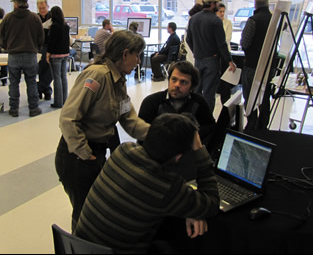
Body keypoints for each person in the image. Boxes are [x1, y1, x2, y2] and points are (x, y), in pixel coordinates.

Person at [74, 113, 219, 254]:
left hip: (78, 247)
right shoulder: (166, 187)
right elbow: (211, 204)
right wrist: (199, 149)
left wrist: (188, 207)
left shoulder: (123, 151)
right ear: (179, 156)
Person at [55, 30, 150, 231]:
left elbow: (129, 120)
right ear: (125, 54)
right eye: (137, 55)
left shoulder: (118, 81)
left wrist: (158, 135)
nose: (139, 61)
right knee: (84, 213)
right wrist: (85, 153)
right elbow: (68, 118)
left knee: (92, 210)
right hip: (77, 158)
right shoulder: (97, 76)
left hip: (94, 155)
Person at [139, 61, 216, 147]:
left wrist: (191, 134)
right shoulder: (152, 102)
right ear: (169, 80)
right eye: (174, 79)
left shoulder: (199, 102)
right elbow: (141, 136)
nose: (177, 85)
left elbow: (210, 127)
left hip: (188, 153)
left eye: (183, 82)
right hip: (157, 153)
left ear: (192, 87)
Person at [186, 0, 236, 111]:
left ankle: (195, 115)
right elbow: (221, 44)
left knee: (196, 90)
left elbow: (188, 39)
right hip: (212, 61)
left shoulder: (194, 19)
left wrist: (196, 51)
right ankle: (207, 119)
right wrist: (229, 61)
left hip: (198, 60)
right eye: (217, 3)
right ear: (213, 4)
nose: (219, 5)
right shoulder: (216, 21)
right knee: (209, 92)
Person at [0, 0, 44, 118]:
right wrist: (37, 48)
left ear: (16, 4)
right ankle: (33, 108)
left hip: (13, 54)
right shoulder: (34, 18)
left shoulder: (8, 18)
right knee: (31, 82)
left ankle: (14, 109)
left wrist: (6, 47)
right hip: (30, 54)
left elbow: (1, 34)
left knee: (13, 82)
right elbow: (41, 36)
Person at [240, 0, 273, 129]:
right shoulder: (275, 20)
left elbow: (245, 43)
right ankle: (263, 126)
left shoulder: (253, 20)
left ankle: (252, 123)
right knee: (265, 97)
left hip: (253, 65)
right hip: (269, 65)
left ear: (255, 5)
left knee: (250, 96)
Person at [46, 6, 70, 109]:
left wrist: (48, 53)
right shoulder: (66, 26)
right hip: (65, 54)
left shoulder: (54, 27)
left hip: (55, 54)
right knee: (63, 76)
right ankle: (64, 100)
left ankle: (58, 102)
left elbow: (52, 42)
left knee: (57, 78)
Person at [216, 3, 234, 105]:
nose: (222, 13)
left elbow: (227, 38)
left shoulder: (228, 23)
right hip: (215, 54)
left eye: (223, 12)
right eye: (220, 11)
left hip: (225, 53)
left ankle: (225, 100)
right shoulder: (213, 23)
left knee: (225, 79)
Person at [36, 0, 53, 101]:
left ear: (48, 6)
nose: (42, 10)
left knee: (49, 70)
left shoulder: (52, 16)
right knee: (41, 69)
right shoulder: (36, 17)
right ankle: (46, 91)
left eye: (43, 8)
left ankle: (39, 89)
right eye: (40, 8)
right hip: (40, 46)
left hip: (50, 46)